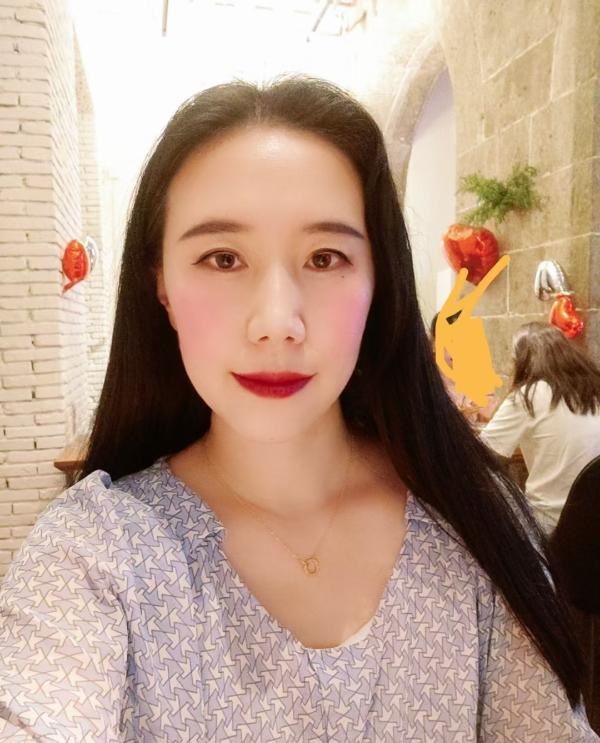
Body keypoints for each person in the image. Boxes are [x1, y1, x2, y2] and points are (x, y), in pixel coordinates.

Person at [0, 76, 597, 743]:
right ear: (160, 283)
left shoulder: (472, 521)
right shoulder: (97, 555)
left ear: (379, 280)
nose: (278, 322)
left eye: (325, 257)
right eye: (222, 258)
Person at [481, 321, 600, 535]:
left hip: (551, 524)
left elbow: (481, 455)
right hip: (593, 522)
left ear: (522, 360)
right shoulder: (593, 391)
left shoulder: (528, 395)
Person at [430, 310, 498, 425]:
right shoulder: (426, 378)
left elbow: (489, 419)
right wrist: (460, 417)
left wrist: (486, 416)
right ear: (434, 344)